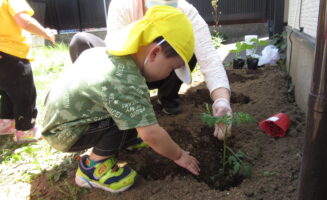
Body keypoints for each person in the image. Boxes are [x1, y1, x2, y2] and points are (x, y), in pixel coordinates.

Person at [41, 6, 200, 193]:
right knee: (130, 119)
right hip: (66, 133)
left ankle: (121, 142)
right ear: (155, 53)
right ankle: (92, 169)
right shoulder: (127, 82)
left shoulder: (107, 53)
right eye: (172, 67)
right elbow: (151, 134)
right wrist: (179, 155)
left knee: (133, 113)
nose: (169, 74)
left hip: (60, 120)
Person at [69, 0, 232, 140]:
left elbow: (209, 57)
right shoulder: (123, 5)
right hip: (128, 68)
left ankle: (167, 97)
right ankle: (107, 110)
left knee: (185, 51)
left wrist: (221, 100)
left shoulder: (185, 10)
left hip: (162, 69)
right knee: (82, 41)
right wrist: (133, 100)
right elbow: (115, 52)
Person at [0, 0, 56, 142]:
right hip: (12, 54)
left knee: (7, 92)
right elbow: (25, 21)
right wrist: (45, 33)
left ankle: (6, 124)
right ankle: (25, 131)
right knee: (25, 96)